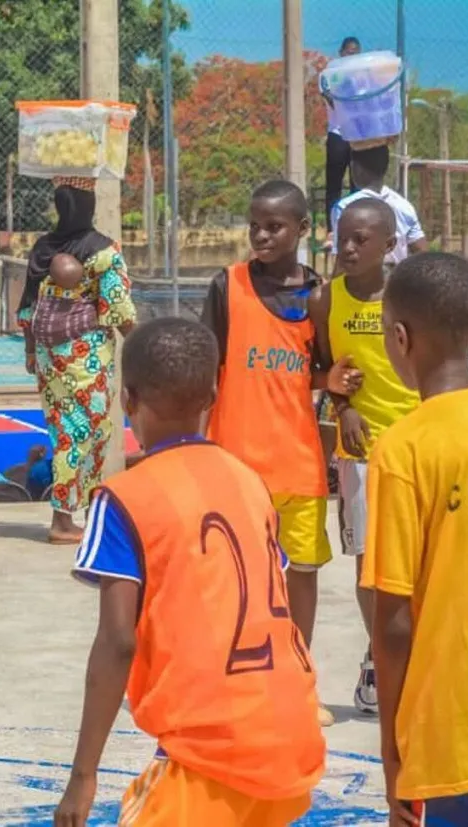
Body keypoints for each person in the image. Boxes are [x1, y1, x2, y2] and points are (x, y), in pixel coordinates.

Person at [56, 317, 325, 827]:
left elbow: (117, 641)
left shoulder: (123, 499)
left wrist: (83, 775)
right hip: (291, 732)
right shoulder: (249, 483)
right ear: (214, 394)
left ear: (126, 399)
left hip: (213, 747)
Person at [203, 179, 359, 727]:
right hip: (236, 463)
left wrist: (333, 380)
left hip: (298, 462)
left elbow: (318, 370)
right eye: (254, 225)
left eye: (274, 227)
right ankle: (235, 681)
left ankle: (297, 680)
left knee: (302, 576)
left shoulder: (319, 295)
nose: (261, 236)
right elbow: (208, 372)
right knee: (236, 579)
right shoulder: (227, 286)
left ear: (302, 230)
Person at [364, 252, 468, 826]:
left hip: (451, 735)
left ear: (401, 338)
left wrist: (391, 752)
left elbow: (395, 620)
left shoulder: (405, 450)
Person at [309, 199, 419, 718]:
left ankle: (419, 659)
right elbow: (326, 368)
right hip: (360, 455)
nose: (349, 248)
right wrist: (343, 405)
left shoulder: (409, 299)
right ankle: (381, 657)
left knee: (422, 564)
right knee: (369, 568)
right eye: (343, 237)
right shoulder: (325, 301)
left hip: (418, 451)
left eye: (362, 240)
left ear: (389, 245)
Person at [17, 178, 137, 544]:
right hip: (86, 358)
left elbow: (27, 305)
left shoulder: (42, 249)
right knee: (87, 433)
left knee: (62, 430)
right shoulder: (102, 251)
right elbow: (117, 307)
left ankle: (72, 512)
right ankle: (64, 520)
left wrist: (30, 351)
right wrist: (144, 344)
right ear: (89, 207)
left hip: (50, 356)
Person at [329, 144, 427, 269]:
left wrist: (331, 288)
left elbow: (342, 260)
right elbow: (421, 252)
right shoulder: (404, 206)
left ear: (354, 168)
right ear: (385, 168)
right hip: (395, 282)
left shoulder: (345, 207)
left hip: (360, 284)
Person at [324, 36, 362, 215]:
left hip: (359, 136)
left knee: (358, 184)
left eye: (356, 53)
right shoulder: (329, 74)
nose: (352, 56)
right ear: (341, 52)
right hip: (338, 135)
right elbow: (334, 102)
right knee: (334, 185)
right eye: (349, 52)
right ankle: (332, 230)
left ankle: (356, 224)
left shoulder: (364, 77)